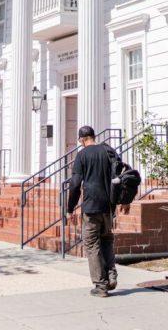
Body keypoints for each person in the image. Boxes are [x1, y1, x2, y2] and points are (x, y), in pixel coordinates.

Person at [66, 125, 125, 297]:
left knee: (92, 245)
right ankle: (111, 276)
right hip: (108, 206)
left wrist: (70, 208)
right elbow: (119, 175)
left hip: (91, 207)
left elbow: (75, 184)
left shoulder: (82, 155)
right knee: (106, 240)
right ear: (93, 136)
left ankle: (101, 285)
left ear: (82, 140)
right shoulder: (108, 151)